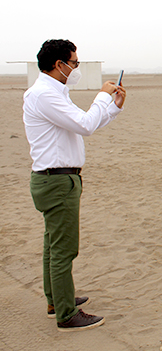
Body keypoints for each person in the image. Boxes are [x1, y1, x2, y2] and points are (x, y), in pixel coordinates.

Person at [23, 39, 126, 331]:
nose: (76, 68)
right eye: (75, 63)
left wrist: (112, 107)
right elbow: (85, 124)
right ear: (60, 65)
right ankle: (65, 313)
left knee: (53, 245)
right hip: (56, 180)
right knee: (64, 249)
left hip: (55, 178)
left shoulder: (52, 92)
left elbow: (86, 124)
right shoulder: (45, 94)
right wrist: (102, 97)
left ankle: (57, 299)